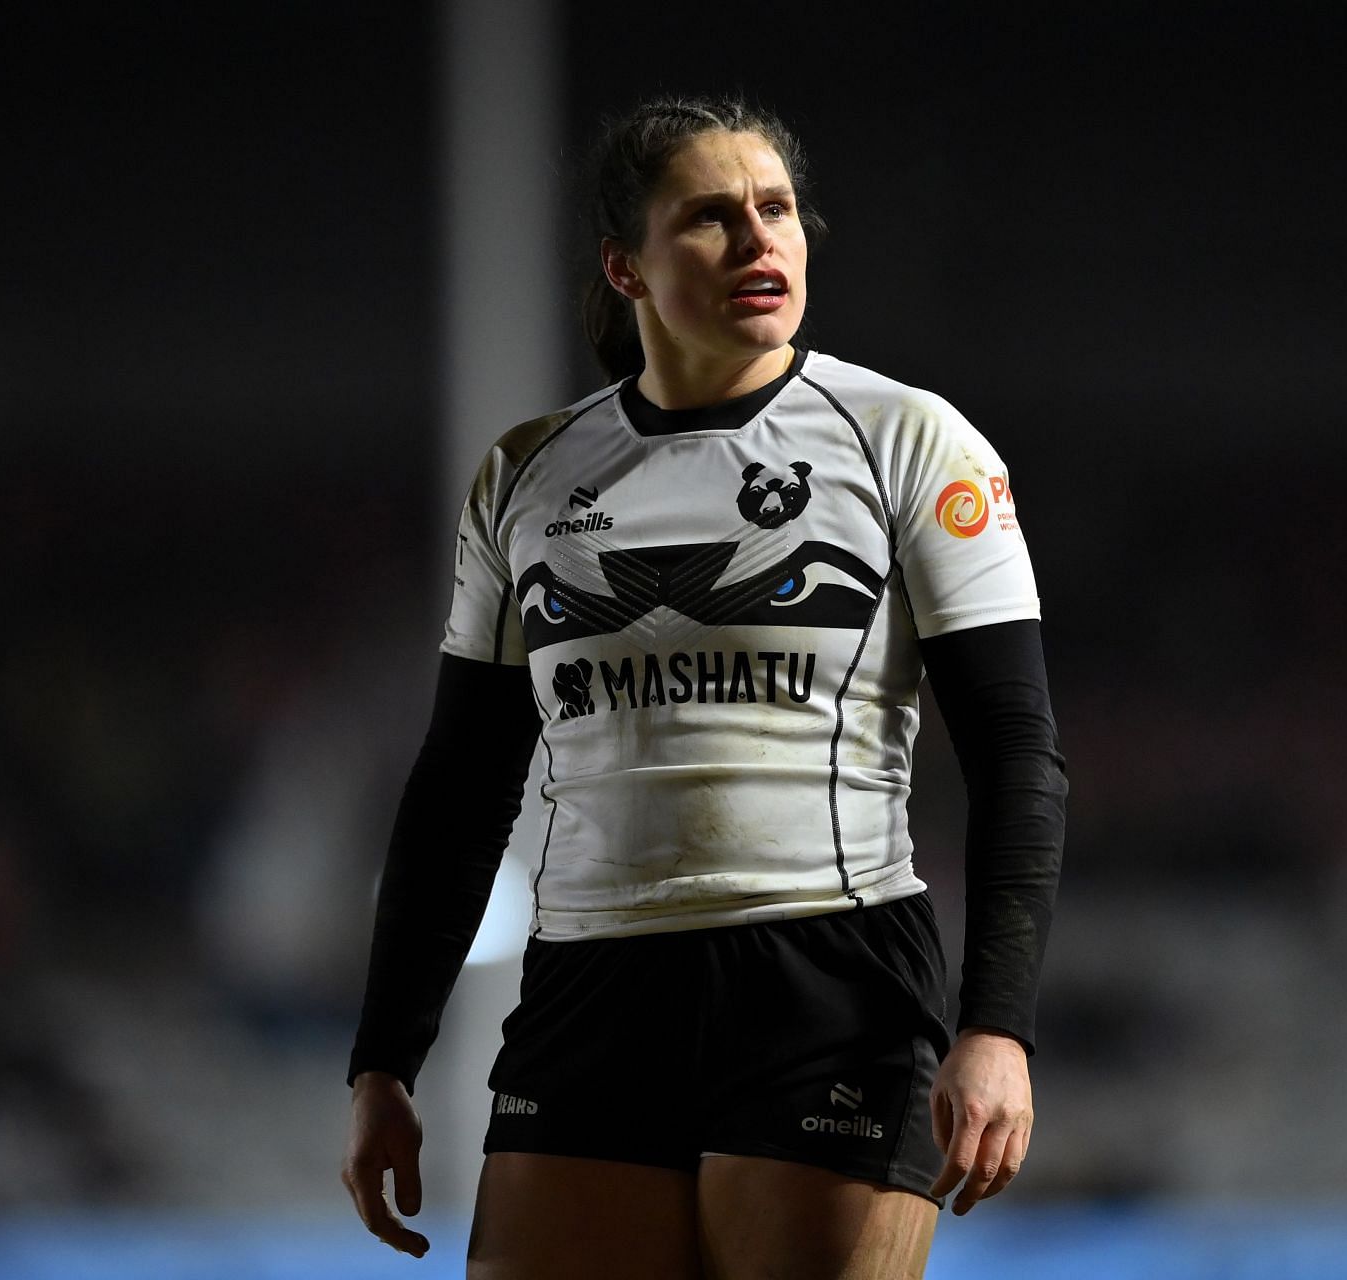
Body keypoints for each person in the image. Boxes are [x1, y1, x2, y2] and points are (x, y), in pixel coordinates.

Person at [341, 95, 1067, 1279]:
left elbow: (1017, 752)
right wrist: (384, 1059)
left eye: (775, 210)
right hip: (590, 988)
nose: (759, 241)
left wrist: (998, 1025)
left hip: (826, 979)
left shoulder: (909, 440)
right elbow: (462, 785)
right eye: (712, 219)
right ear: (626, 265)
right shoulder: (526, 475)